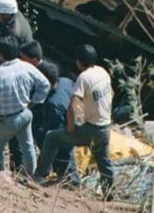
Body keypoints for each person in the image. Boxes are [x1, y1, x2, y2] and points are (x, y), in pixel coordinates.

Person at [35, 44, 115, 200]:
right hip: (105, 128)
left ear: (78, 62)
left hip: (91, 130)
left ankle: (40, 175)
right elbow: (112, 93)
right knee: (104, 162)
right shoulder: (102, 72)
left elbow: (71, 108)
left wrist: (70, 128)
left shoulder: (83, 78)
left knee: (52, 137)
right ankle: (110, 196)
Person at [0, 36, 50, 177]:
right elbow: (45, 84)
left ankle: (1, 176)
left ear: (0, 55)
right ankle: (30, 175)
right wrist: (34, 101)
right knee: (28, 147)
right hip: (25, 114)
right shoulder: (26, 67)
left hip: (7, 119)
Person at [30, 57, 76, 181]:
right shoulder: (66, 81)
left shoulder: (53, 104)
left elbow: (56, 140)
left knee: (60, 151)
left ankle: (67, 179)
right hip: (75, 121)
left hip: (66, 130)